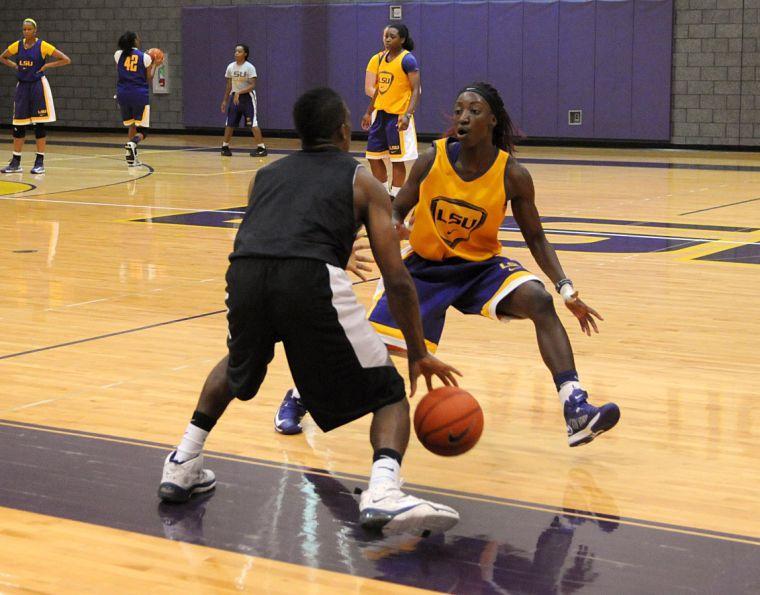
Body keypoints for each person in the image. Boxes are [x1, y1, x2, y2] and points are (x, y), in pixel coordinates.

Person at [159, 87, 462, 537]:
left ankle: (183, 461)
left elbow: (274, 233)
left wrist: (325, 257)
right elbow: (396, 278)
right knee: (388, 393)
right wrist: (418, 351)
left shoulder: (264, 174)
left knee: (240, 362)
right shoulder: (362, 180)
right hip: (307, 279)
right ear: (344, 129)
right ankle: (383, 490)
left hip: (244, 273)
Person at [275, 82, 620, 448]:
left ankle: (575, 407)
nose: (463, 118)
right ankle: (299, 396)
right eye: (458, 111)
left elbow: (535, 237)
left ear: (493, 119)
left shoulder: (512, 174)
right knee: (373, 351)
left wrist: (565, 287)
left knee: (539, 300)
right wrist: (394, 226)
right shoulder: (432, 158)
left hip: (479, 269)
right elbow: (395, 208)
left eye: (473, 111)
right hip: (424, 269)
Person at [0, 18, 70, 175]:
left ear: (35, 31)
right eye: (24, 29)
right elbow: (2, 57)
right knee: (18, 125)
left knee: (39, 125)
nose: (26, 32)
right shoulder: (17, 45)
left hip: (38, 86)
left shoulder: (42, 45)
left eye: (29, 29)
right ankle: (16, 162)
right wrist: (14, 65)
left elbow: (65, 59)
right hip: (22, 87)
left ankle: (40, 162)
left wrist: (47, 65)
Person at [361, 23, 420, 199]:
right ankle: (381, 195)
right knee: (373, 157)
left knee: (397, 160)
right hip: (380, 115)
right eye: (386, 36)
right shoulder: (380, 59)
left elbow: (416, 90)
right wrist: (368, 111)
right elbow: (380, 89)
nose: (387, 39)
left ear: (402, 39)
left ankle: (394, 198)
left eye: (392, 36)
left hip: (398, 116)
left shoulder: (408, 59)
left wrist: (408, 115)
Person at [115, 31, 161, 167]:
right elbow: (149, 78)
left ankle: (132, 158)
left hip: (122, 93)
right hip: (139, 94)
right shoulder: (145, 58)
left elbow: (120, 71)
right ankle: (133, 143)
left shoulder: (118, 55)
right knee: (143, 130)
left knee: (132, 125)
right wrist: (154, 65)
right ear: (135, 41)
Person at [220, 44, 267, 157]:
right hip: (234, 98)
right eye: (235, 51)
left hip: (247, 98)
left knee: (253, 123)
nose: (236, 53)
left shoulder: (249, 67)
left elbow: (252, 85)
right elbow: (229, 85)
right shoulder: (230, 67)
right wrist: (225, 100)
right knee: (229, 123)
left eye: (239, 51)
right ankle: (224, 146)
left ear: (245, 54)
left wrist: (240, 93)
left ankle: (261, 148)